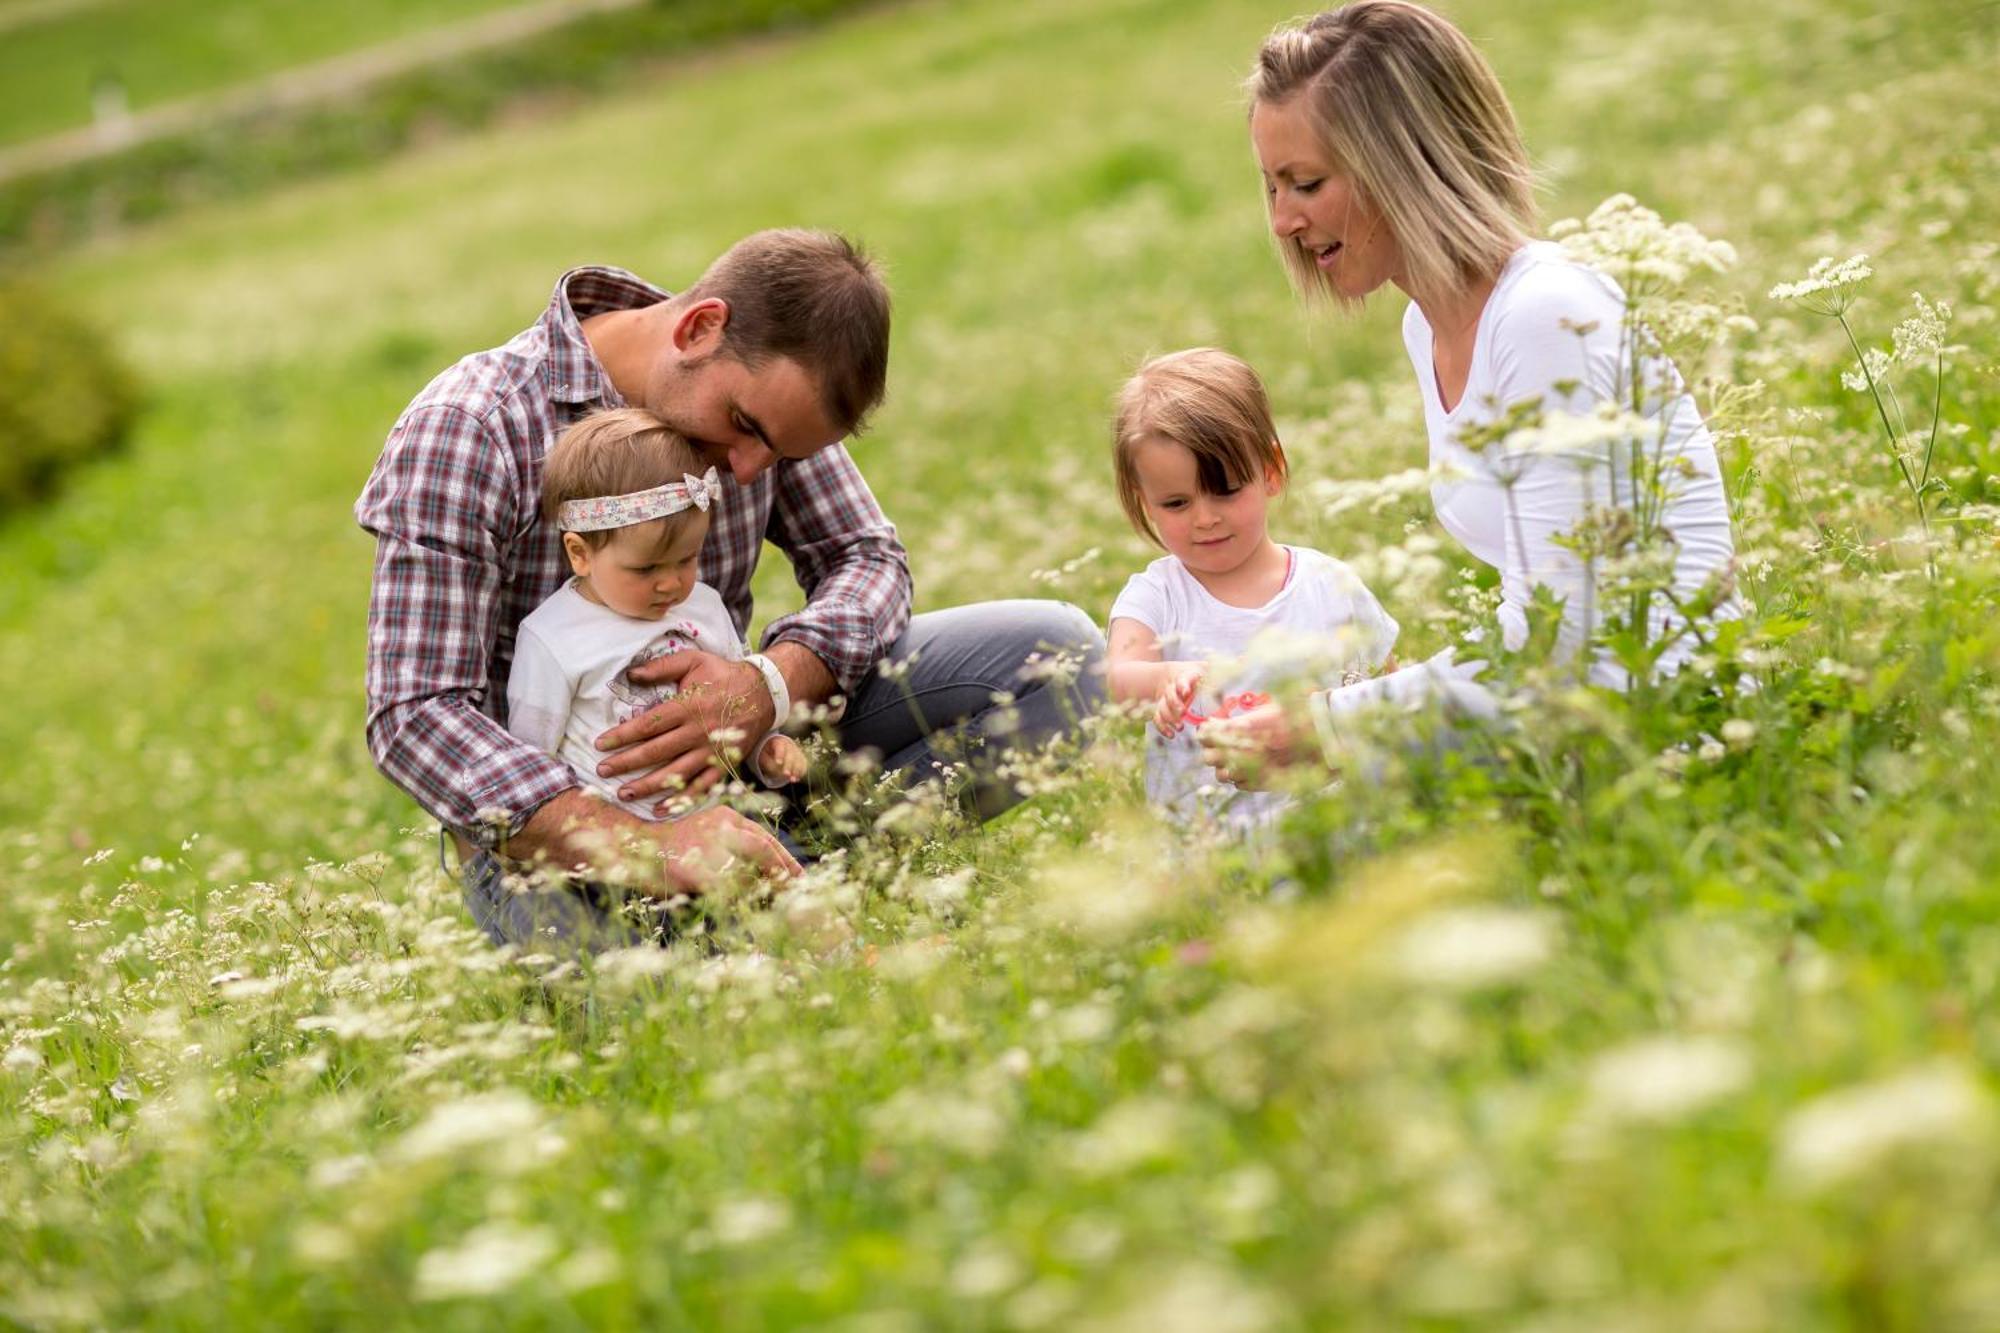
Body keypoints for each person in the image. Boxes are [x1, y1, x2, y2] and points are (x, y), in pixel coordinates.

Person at [355, 229, 1104, 951]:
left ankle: (799, 876)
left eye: (777, 450)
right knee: (666, 1011)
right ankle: (762, 917)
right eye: (743, 427)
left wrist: (768, 684)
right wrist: (648, 846)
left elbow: (867, 556)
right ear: (700, 328)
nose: (747, 469)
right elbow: (413, 712)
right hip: (567, 830)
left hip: (755, 764)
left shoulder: (764, 415)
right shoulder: (472, 425)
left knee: (1063, 658)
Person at [1209, 0, 1737, 776]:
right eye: (1272, 188)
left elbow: (1565, 646)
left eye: (1307, 183)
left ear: (1408, 163)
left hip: (1671, 747)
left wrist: (1326, 728)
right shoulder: (1429, 328)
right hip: (1581, 734)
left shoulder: (1542, 317)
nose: (1284, 220)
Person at [1105, 348, 1398, 832]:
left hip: (1331, 829)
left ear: (1270, 469)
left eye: (1225, 490)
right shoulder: (1157, 594)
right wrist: (1162, 679)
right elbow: (1115, 679)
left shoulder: (1330, 584)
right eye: (1176, 503)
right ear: (1144, 501)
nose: (1205, 517)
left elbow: (1387, 692)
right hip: (1207, 851)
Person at [506, 408, 808, 835]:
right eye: (646, 570)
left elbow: (736, 708)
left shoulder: (704, 607)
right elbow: (531, 756)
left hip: (722, 828)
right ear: (580, 553)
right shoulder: (552, 638)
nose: (670, 584)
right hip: (614, 846)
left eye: (687, 559)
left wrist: (766, 751)